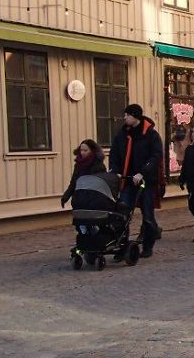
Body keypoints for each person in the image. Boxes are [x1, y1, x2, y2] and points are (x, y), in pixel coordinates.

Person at [109, 104, 164, 258]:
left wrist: (142, 172)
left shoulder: (151, 135)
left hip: (146, 181)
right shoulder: (122, 135)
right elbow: (114, 154)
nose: (124, 117)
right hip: (127, 180)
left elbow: (156, 156)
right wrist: (114, 170)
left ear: (135, 116)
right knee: (122, 214)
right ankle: (122, 246)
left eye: (127, 115)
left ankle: (147, 246)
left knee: (147, 215)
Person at [61, 139, 107, 207]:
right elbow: (73, 183)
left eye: (85, 150)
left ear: (92, 151)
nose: (82, 153)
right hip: (79, 199)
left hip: (93, 201)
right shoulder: (78, 164)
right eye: (81, 150)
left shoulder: (98, 166)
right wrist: (65, 197)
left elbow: (101, 185)